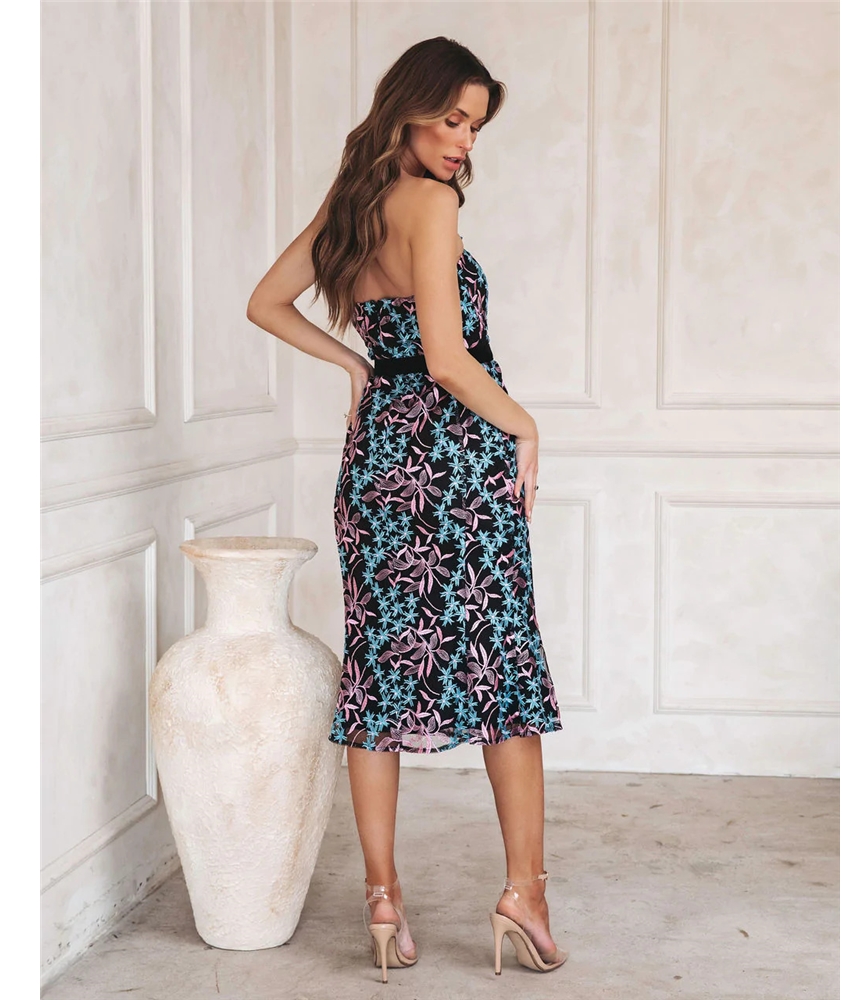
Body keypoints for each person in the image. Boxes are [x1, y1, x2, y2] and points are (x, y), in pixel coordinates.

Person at [246, 36, 567, 981]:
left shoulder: (351, 203)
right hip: (455, 458)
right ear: (408, 109)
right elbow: (449, 359)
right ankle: (525, 894)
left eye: (476, 126)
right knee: (503, 668)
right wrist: (526, 425)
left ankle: (382, 900)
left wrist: (354, 363)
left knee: (378, 673)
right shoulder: (430, 203)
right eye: (453, 118)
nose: (464, 140)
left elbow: (266, 302)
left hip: (378, 461)